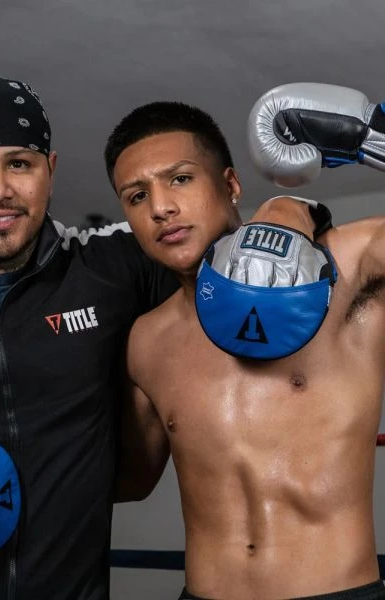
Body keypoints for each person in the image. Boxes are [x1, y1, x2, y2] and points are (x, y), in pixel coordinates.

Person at [0, 75, 325, 600]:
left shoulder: (112, 267)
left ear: (51, 170)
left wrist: (289, 208)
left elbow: (223, 231)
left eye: (19, 163)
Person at [105, 85, 385, 600]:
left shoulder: (345, 270)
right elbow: (130, 482)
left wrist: (375, 137)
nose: (161, 207)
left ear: (231, 184)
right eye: (137, 196)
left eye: (180, 179)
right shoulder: (146, 340)